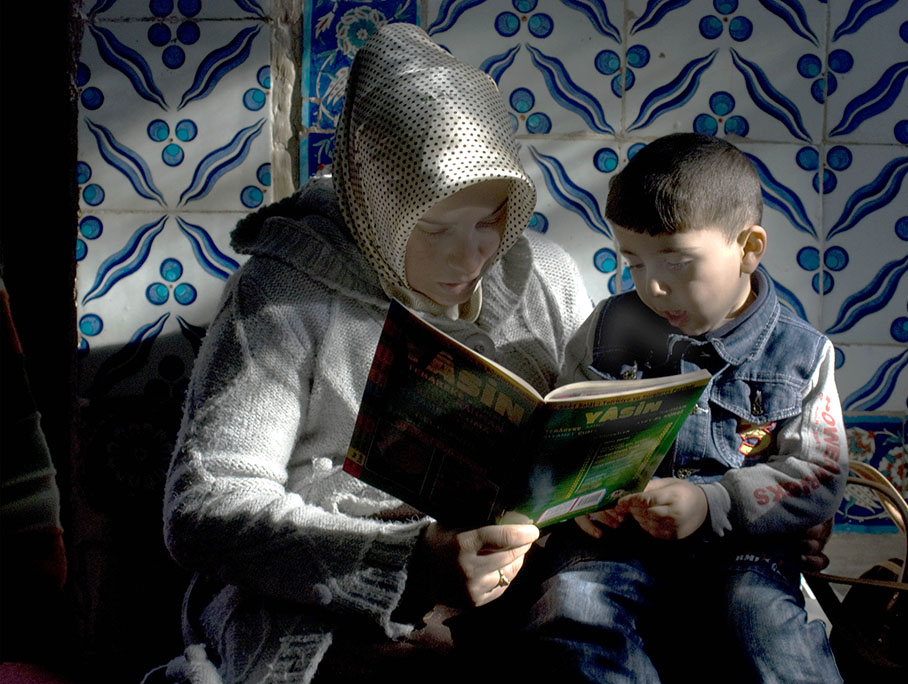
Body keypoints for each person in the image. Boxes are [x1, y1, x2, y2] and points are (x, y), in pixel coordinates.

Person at [152, 22, 593, 684]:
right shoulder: (283, 293)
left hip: (516, 588)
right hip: (317, 601)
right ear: (373, 207)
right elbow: (203, 510)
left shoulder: (547, 279)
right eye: (435, 228)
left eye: (490, 219)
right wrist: (412, 564)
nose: (469, 255)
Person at [455, 133, 849, 683]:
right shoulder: (605, 328)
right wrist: (579, 499)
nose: (655, 287)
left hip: (740, 554)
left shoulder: (803, 354)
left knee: (764, 627)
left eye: (678, 262)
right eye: (634, 264)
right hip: (612, 549)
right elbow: (559, 434)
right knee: (570, 606)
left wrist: (712, 502)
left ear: (749, 248)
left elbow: (820, 473)